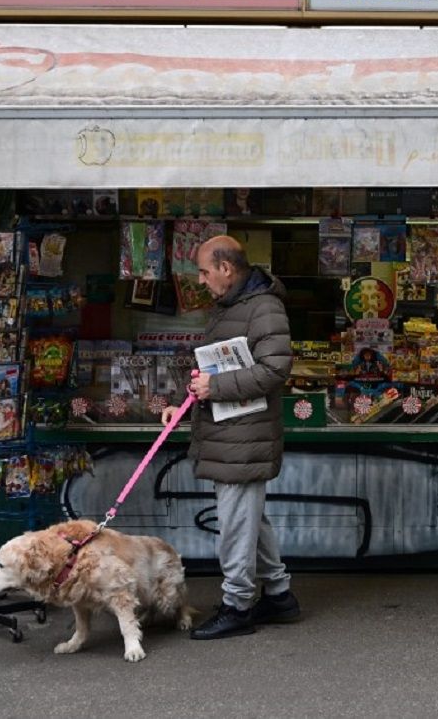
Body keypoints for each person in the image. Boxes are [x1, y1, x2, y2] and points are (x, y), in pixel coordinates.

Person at [162, 235, 298, 640]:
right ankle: (278, 594)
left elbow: (275, 370)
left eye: (204, 271)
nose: (201, 281)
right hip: (232, 434)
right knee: (249, 517)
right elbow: (211, 368)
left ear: (226, 268)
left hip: (243, 436)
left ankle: (238, 605)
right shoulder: (232, 308)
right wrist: (182, 400)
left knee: (237, 521)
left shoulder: (264, 308)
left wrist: (214, 388)